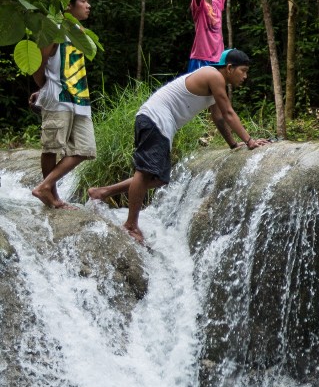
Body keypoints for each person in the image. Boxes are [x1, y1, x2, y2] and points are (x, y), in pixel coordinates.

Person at [88, 49, 266, 242]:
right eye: (243, 70)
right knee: (145, 172)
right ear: (230, 68)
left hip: (157, 122)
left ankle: (103, 192)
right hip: (155, 119)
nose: (245, 76)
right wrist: (250, 141)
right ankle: (130, 225)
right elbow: (229, 113)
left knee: (159, 179)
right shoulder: (214, 75)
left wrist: (233, 144)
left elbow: (219, 117)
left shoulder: (215, 82)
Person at [27, 0, 95, 209]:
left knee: (85, 149)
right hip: (58, 98)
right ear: (68, 4)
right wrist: (45, 90)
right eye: (83, 0)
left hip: (80, 100)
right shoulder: (54, 31)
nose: (88, 5)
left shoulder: (79, 33)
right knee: (52, 148)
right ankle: (52, 196)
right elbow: (39, 65)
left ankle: (45, 186)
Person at [187, 0, 231, 74]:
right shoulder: (200, 6)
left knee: (215, 90)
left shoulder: (217, 3)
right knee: (199, 90)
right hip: (202, 57)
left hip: (218, 59)